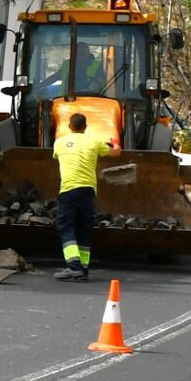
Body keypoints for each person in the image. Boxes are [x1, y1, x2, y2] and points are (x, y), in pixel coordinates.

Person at [52, 110, 113, 279]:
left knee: (66, 227)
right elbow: (115, 152)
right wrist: (115, 144)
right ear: (85, 127)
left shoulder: (59, 143)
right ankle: (83, 268)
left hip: (69, 189)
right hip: (88, 191)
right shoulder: (95, 141)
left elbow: (57, 157)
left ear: (69, 126)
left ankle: (73, 266)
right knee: (83, 229)